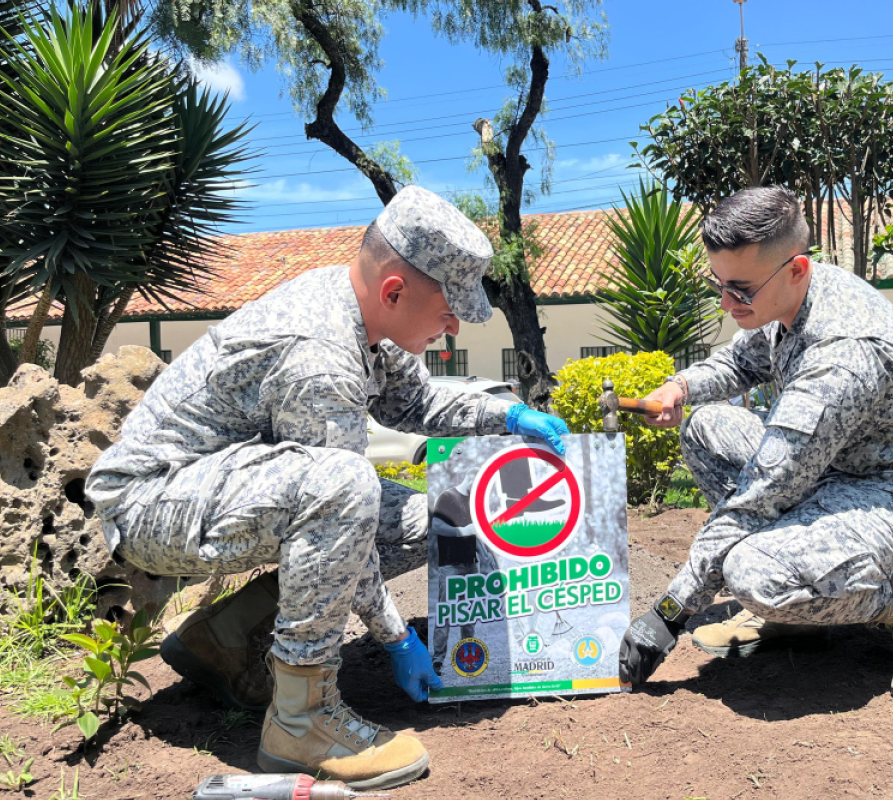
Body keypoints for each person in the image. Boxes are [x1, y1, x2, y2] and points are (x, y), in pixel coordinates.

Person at [85, 186, 569, 790]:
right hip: (152, 501)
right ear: (395, 290)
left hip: (222, 486)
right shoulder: (317, 350)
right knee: (347, 485)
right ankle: (301, 716)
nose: (451, 330)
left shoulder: (364, 315)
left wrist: (508, 416)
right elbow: (343, 508)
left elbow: (414, 400)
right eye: (449, 311)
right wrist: (395, 638)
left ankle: (225, 639)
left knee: (436, 520)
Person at [618, 187, 893, 706]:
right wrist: (680, 388)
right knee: (707, 428)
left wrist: (670, 614)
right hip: (841, 466)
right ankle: (800, 613)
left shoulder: (843, 355)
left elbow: (758, 497)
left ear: (796, 269)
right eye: (718, 285)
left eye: (739, 290)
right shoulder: (790, 297)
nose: (726, 303)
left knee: (755, 572)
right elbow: (740, 362)